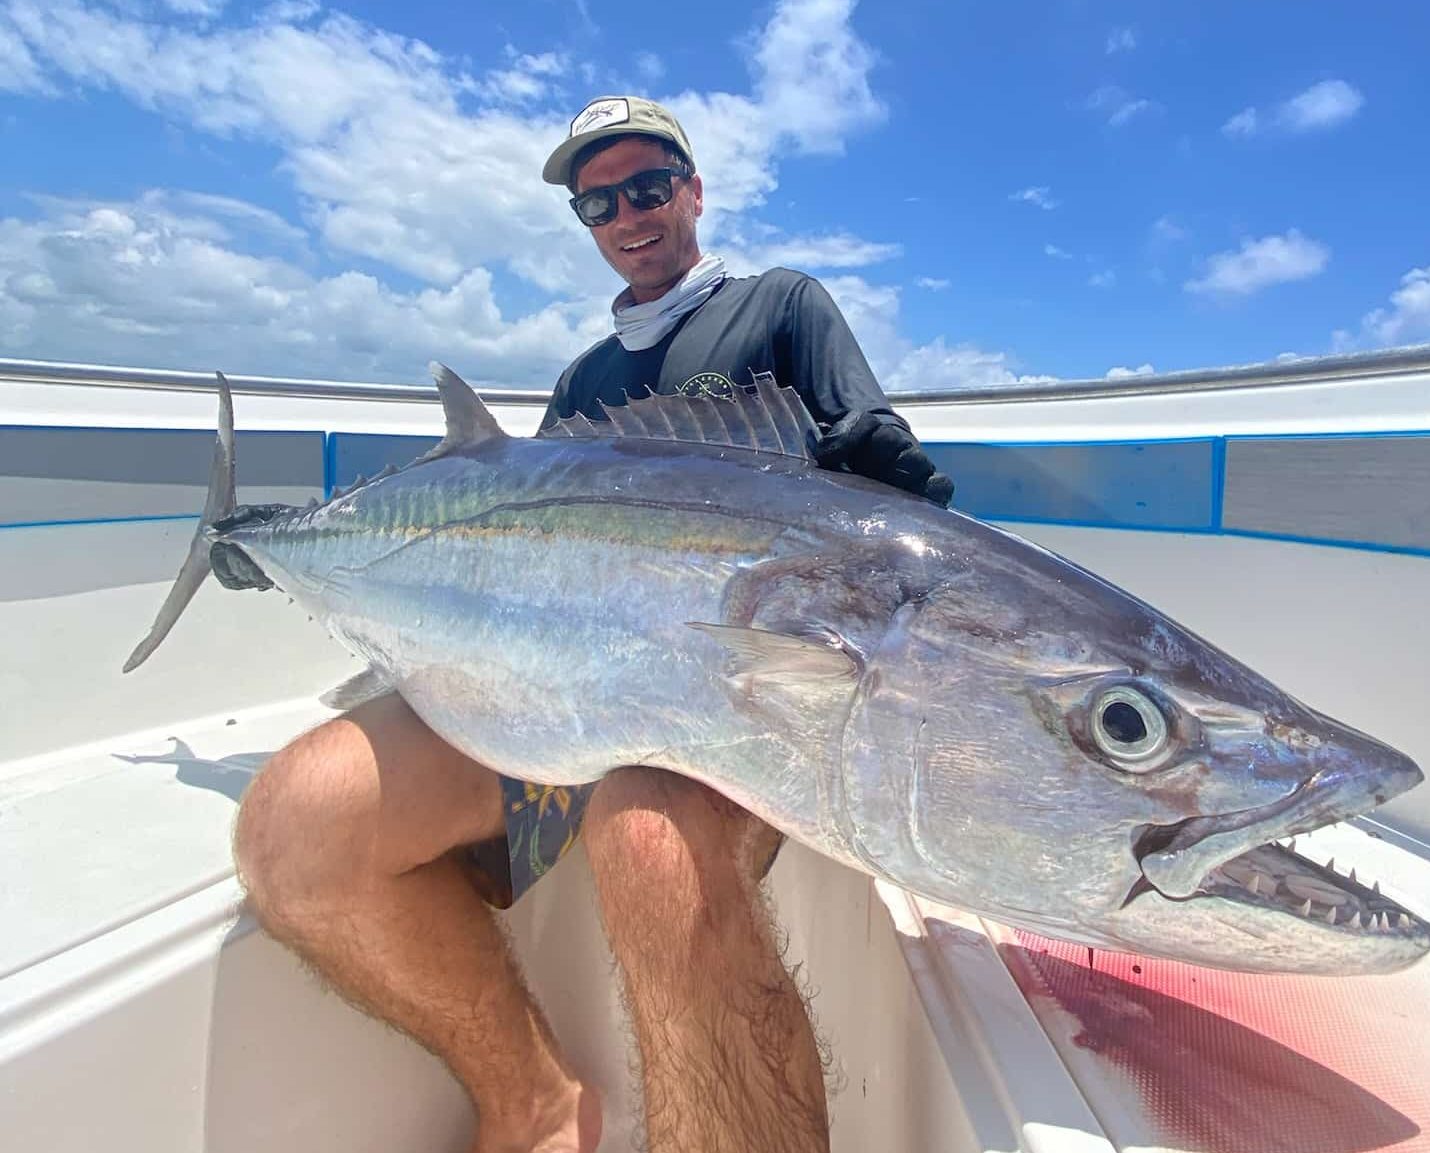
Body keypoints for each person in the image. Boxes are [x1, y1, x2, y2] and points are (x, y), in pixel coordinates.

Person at [231, 94, 953, 1153]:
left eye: (649, 186)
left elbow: (867, 455)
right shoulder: (583, 381)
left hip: (725, 695)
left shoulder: (781, 307)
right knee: (298, 825)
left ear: (693, 191)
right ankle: (535, 1101)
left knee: (648, 835)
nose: (628, 214)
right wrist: (282, 548)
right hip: (558, 687)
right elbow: (531, 541)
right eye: (598, 201)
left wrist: (882, 465)